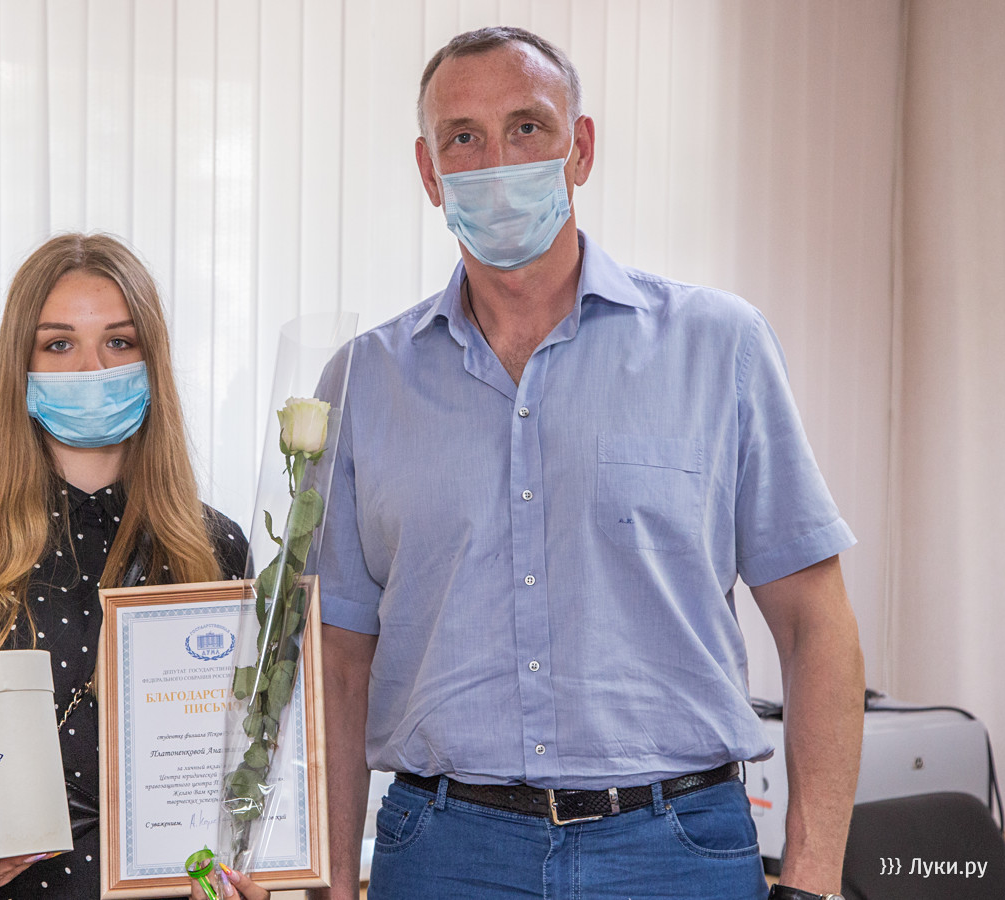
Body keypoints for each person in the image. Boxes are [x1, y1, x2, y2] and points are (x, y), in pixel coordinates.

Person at [315, 26, 864, 900]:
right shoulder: (362, 382)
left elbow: (814, 625)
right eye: (464, 137)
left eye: (527, 127)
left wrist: (811, 879)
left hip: (675, 848)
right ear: (428, 171)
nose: (497, 162)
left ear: (580, 148)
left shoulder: (717, 347)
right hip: (444, 853)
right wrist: (332, 884)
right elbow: (338, 662)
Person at [0, 233, 251, 899]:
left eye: (119, 341)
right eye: (58, 344)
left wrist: (244, 878)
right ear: (20, 365)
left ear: (152, 362)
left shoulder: (215, 545)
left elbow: (243, 780)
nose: (90, 369)